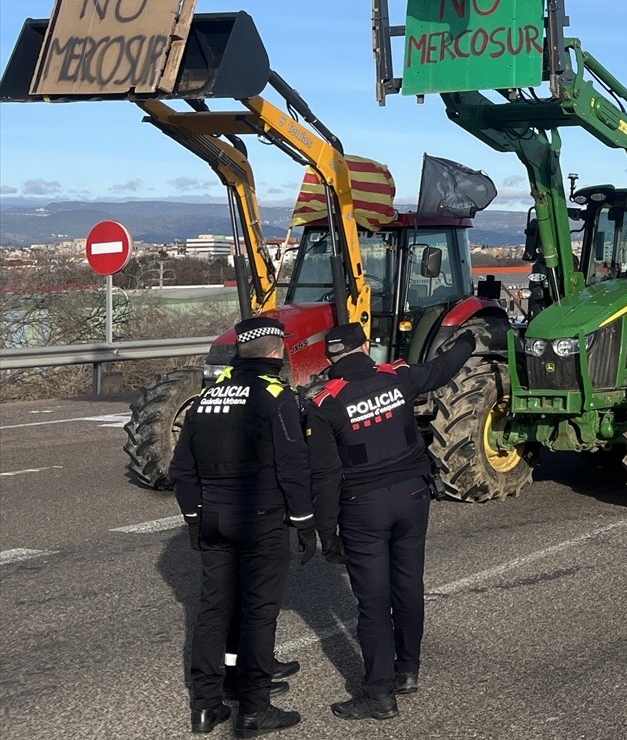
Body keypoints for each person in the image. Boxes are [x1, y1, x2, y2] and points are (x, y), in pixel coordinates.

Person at [306, 322, 476, 721]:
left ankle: (379, 693)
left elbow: (325, 476)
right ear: (364, 347)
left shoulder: (326, 404)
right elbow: (443, 367)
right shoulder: (397, 378)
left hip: (364, 508)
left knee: (373, 601)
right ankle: (408, 670)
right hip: (414, 497)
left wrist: (326, 534)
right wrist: (469, 340)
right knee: (408, 584)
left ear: (330, 357)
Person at [170, 316, 315, 737]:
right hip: (261, 521)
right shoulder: (276, 396)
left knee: (213, 613)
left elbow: (182, 470)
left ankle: (206, 706)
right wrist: (305, 523)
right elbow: (293, 466)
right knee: (258, 614)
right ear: (276, 352)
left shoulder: (208, 397)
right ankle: (254, 708)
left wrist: (195, 519)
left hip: (213, 518)